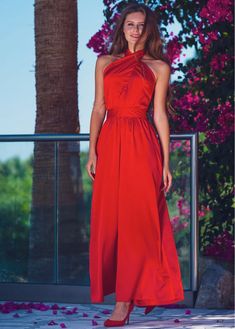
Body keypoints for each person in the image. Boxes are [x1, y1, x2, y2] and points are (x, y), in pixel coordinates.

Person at [86, 3, 184, 327]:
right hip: (111, 142)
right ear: (122, 28)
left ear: (149, 29)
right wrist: (92, 151)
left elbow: (159, 114)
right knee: (112, 222)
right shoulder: (104, 63)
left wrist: (167, 163)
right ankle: (141, 290)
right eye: (130, 24)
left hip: (142, 145)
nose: (136, 31)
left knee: (138, 222)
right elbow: (99, 108)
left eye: (141, 25)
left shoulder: (159, 67)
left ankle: (124, 303)